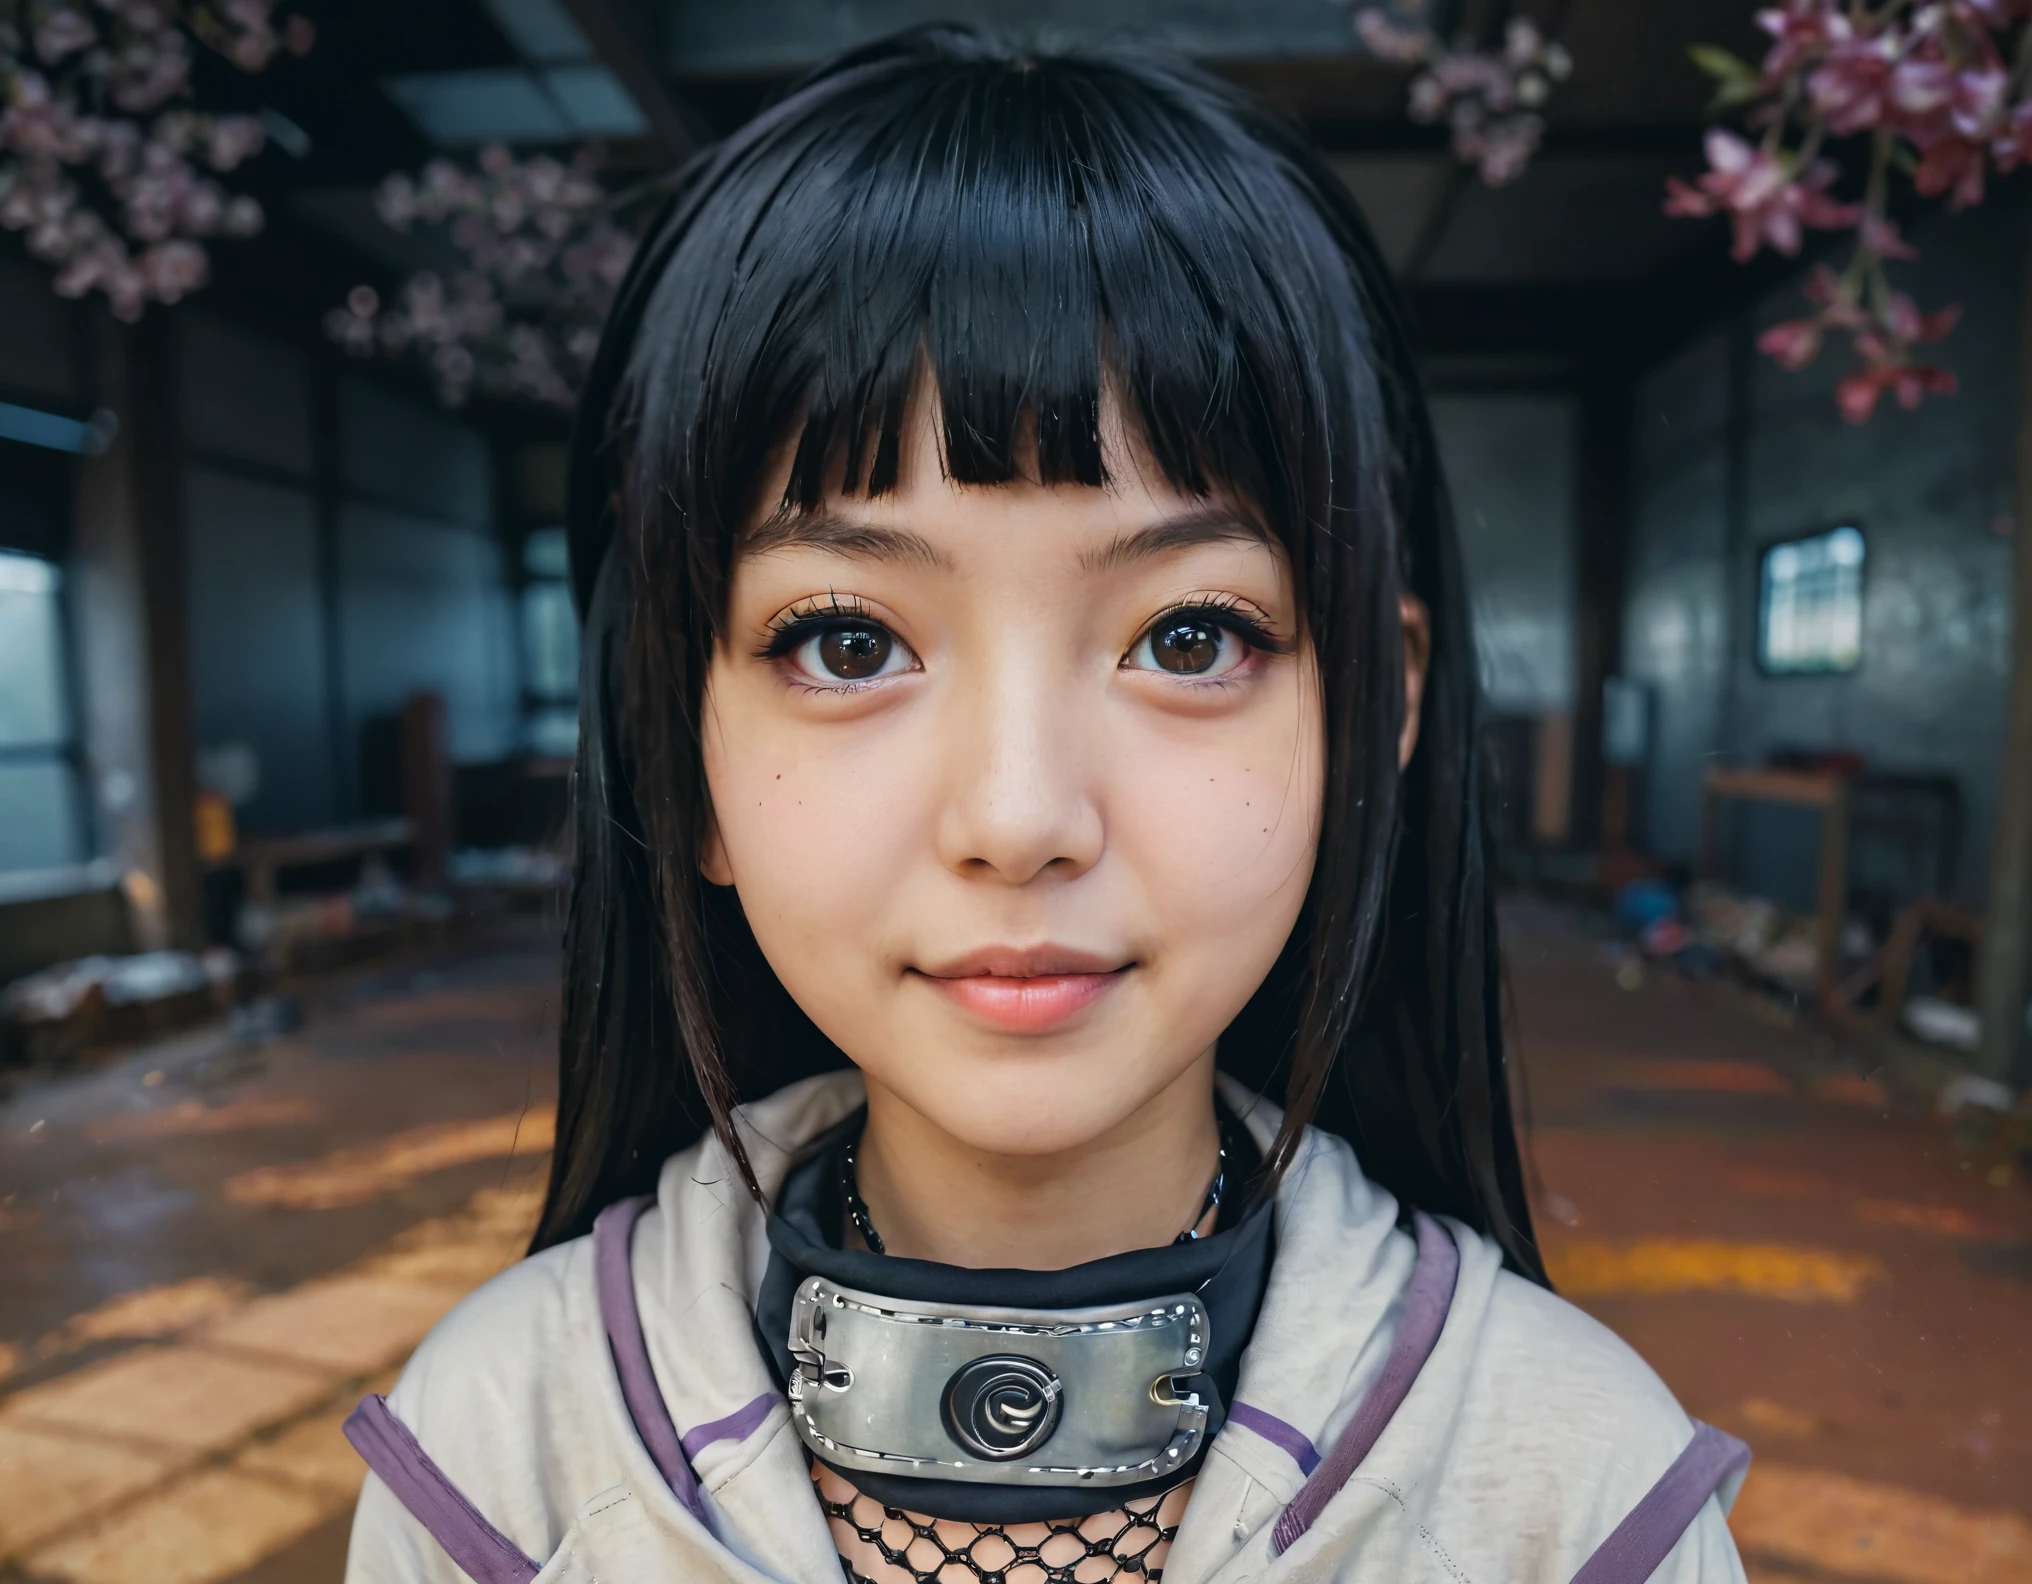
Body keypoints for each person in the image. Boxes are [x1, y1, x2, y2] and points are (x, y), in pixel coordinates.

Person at [342, 26, 1751, 1584]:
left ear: (1378, 710)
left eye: (1192, 637)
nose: (1019, 821)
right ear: (680, 755)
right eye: (846, 641)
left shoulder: (1581, 1495)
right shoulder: (492, 1461)